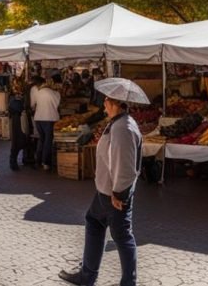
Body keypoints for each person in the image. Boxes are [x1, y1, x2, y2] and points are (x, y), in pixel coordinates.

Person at [59, 88, 142, 286]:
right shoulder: (118, 124)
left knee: (122, 235)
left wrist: (119, 193)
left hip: (114, 193)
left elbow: (125, 166)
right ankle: (88, 274)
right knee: (95, 222)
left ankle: (126, 282)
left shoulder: (123, 128)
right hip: (106, 191)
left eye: (106, 100)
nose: (103, 103)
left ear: (115, 104)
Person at [32, 74, 61, 171]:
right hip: (49, 118)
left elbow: (33, 104)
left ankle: (38, 160)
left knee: (42, 140)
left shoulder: (38, 92)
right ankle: (45, 162)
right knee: (48, 141)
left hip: (38, 118)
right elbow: (57, 104)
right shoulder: (54, 93)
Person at [8, 84, 27, 171]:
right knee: (18, 142)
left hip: (17, 122)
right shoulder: (15, 99)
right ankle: (14, 162)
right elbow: (18, 108)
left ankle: (15, 161)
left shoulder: (13, 99)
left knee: (17, 143)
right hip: (18, 122)